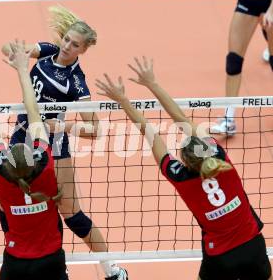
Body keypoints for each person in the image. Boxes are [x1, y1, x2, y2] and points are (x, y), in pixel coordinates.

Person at [96, 57, 272, 280]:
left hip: (220, 257)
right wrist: (152, 83)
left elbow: (150, 134)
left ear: (186, 163)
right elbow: (181, 118)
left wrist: (123, 100)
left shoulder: (181, 178)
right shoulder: (221, 159)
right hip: (253, 246)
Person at [1, 6, 127, 280]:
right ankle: (50, 261)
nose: (67, 46)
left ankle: (112, 269)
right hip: (21, 138)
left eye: (75, 44)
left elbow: (95, 129)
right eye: (67, 39)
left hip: (54, 147)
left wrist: (63, 126)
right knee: (11, 207)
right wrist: (13, 50)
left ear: (83, 50)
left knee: (71, 213)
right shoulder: (46, 51)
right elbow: (11, 50)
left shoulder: (76, 82)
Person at [0, 41, 68, 280]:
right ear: (33, 157)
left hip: (16, 264)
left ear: (8, 157)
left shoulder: (2, 173)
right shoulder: (45, 166)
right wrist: (22, 69)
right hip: (51, 259)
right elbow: (33, 111)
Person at [211, 0, 273, 135]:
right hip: (247, 3)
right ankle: (228, 119)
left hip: (270, 3)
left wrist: (271, 10)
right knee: (233, 62)